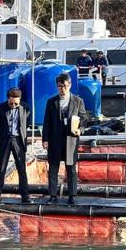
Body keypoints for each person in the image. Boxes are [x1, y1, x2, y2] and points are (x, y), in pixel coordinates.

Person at [42, 72, 85, 205]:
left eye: (64, 86)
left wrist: (80, 130)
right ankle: (53, 195)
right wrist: (45, 139)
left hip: (71, 139)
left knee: (71, 168)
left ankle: (72, 195)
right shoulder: (51, 102)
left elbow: (84, 118)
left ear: (70, 85)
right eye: (60, 86)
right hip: (55, 140)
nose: (62, 89)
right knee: (53, 168)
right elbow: (47, 122)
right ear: (57, 86)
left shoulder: (78, 101)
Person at [0, 88, 31, 204]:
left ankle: (25, 195)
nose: (13, 106)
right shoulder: (0, 107)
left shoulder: (25, 107)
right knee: (1, 168)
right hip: (5, 139)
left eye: (16, 104)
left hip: (18, 140)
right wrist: (4, 133)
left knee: (21, 169)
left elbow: (26, 123)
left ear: (20, 100)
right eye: (11, 103)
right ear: (8, 99)